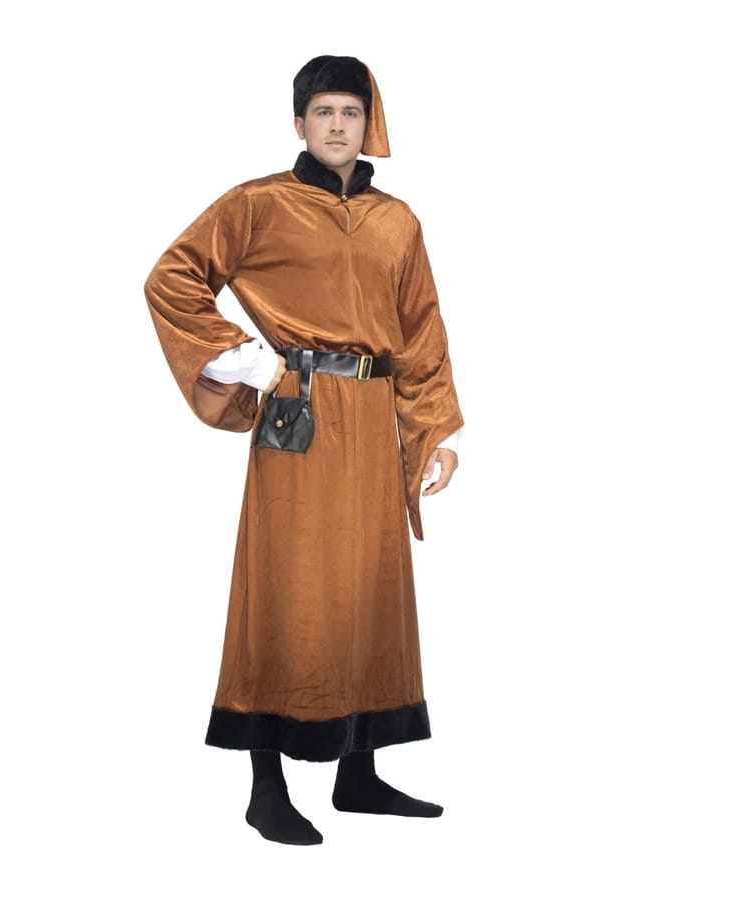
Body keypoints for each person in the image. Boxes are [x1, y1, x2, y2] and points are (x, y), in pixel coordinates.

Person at [144, 55, 464, 846]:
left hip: (375, 415)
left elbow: (420, 330)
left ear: (368, 123)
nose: (336, 125)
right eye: (323, 112)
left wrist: (436, 430)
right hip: (299, 412)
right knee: (284, 586)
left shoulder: (398, 222)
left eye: (350, 112)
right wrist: (244, 358)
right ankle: (266, 788)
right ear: (299, 123)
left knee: (368, 586)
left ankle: (358, 776)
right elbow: (172, 277)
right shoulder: (258, 205)